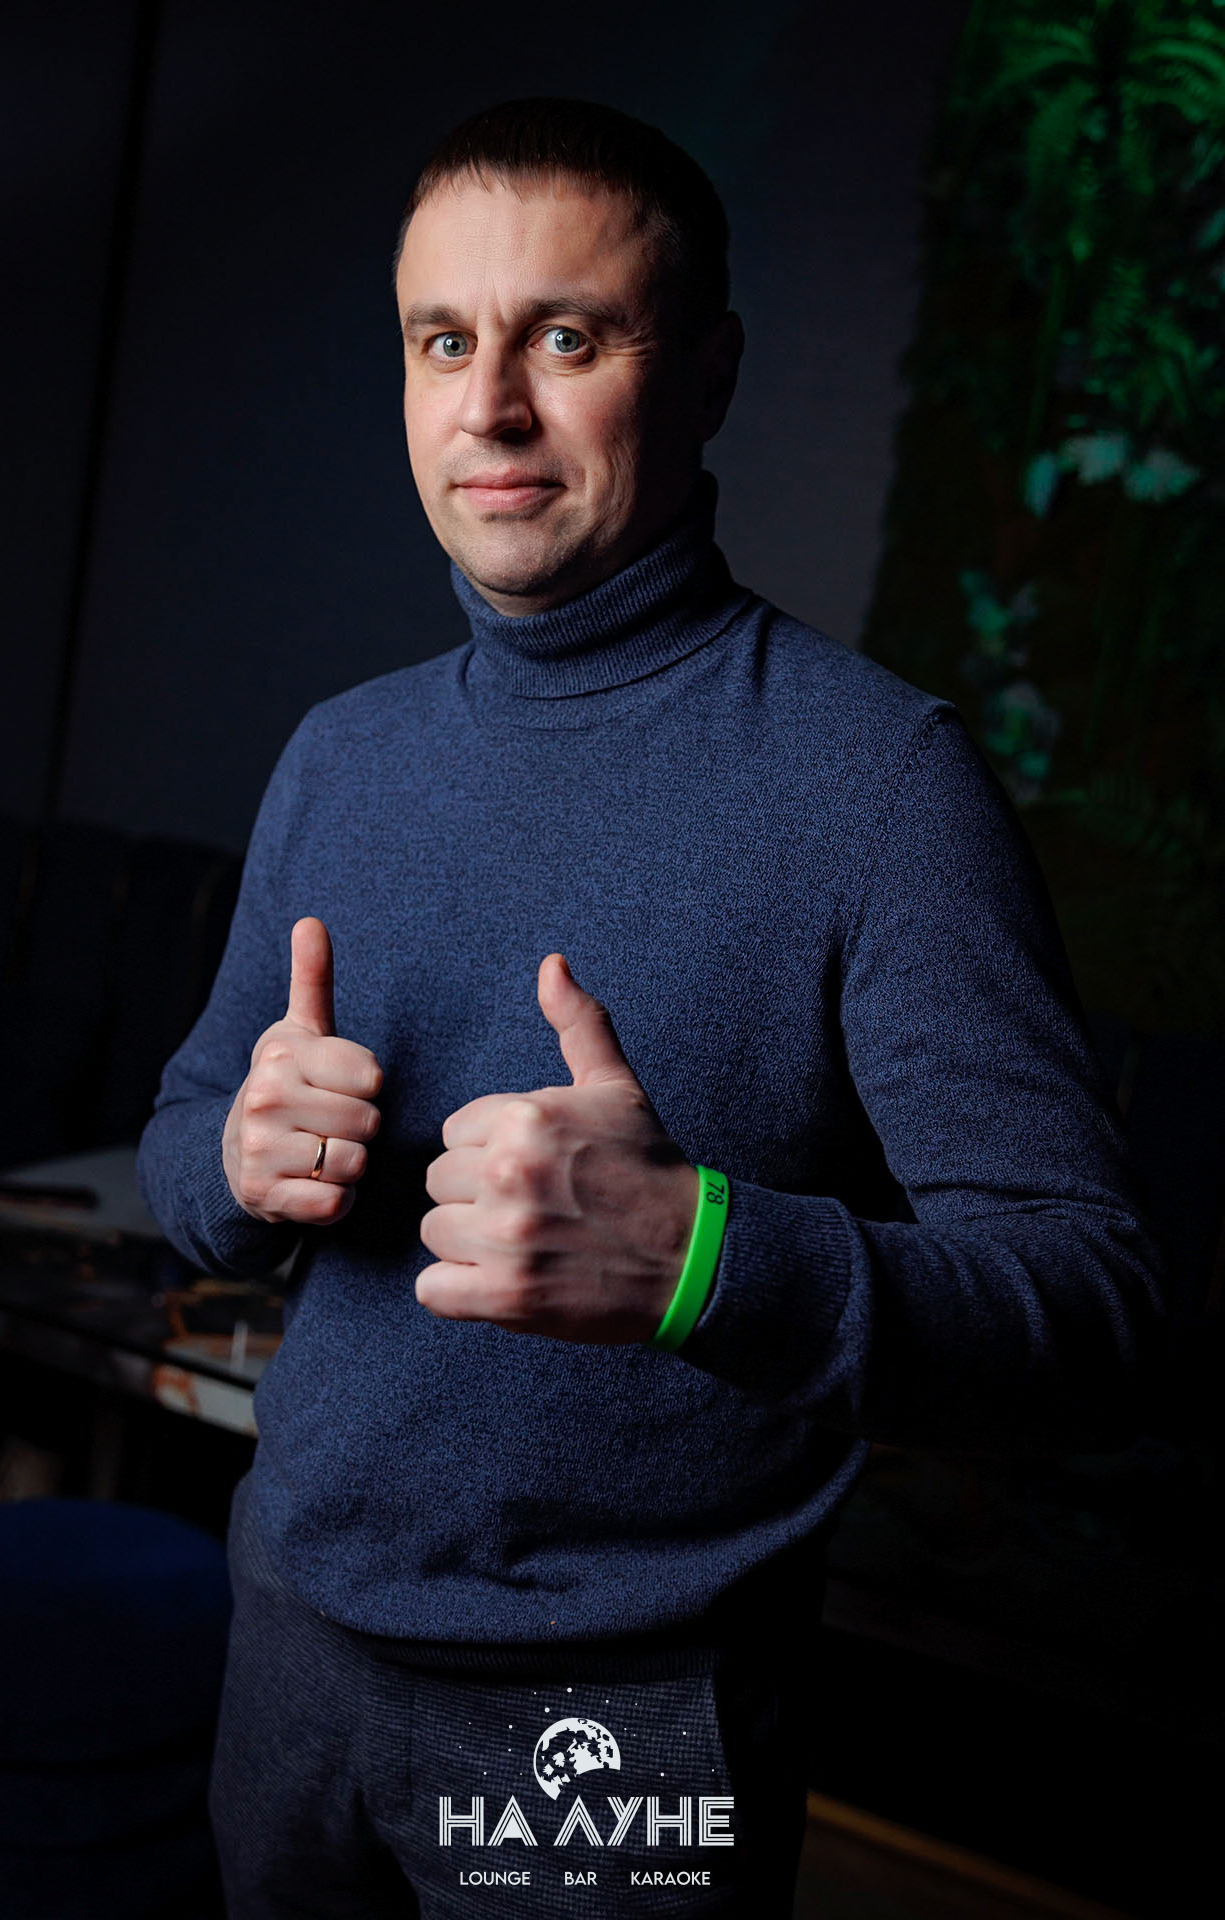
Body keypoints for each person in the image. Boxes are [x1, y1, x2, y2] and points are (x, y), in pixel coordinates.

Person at [136, 94, 1168, 1919]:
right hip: (290, 1647)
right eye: (441, 341)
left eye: (567, 338)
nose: (488, 408)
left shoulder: (881, 785)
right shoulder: (340, 755)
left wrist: (701, 1258)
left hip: (608, 1722)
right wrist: (234, 1158)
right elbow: (181, 1140)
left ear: (706, 375)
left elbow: (1092, 1312)